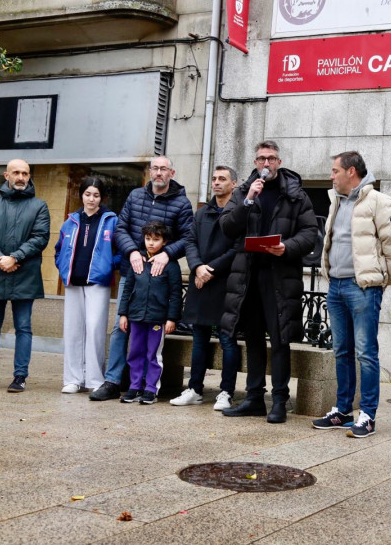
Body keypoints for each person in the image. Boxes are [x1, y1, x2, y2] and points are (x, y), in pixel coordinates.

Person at [219, 140, 317, 424]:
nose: (266, 164)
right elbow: (227, 227)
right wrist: (248, 199)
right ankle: (253, 398)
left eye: (271, 159)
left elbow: (310, 232)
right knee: (252, 339)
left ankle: (278, 401)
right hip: (247, 276)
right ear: (255, 162)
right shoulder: (242, 192)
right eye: (261, 159)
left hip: (280, 276)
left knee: (280, 339)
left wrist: (287, 247)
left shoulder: (296, 195)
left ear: (279, 162)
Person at [311, 151, 391, 438]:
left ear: (351, 172)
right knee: (341, 351)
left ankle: (367, 415)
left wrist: (378, 281)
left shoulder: (379, 202)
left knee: (366, 353)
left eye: (335, 170)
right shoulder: (336, 202)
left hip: (362, 288)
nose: (331, 176)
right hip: (336, 286)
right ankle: (342, 411)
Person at [89, 156, 193, 401]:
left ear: (172, 173)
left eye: (163, 169)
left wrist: (167, 253)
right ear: (149, 172)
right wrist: (133, 251)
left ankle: (148, 385)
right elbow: (121, 228)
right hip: (133, 271)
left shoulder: (182, 203)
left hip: (160, 276)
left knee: (152, 340)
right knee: (121, 326)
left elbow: (189, 237)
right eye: (155, 168)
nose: (158, 173)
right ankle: (113, 380)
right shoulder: (135, 196)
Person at [0, 160, 50, 393]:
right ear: (6, 175)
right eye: (16, 172)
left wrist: (14, 258)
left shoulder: (40, 206)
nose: (21, 177)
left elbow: (40, 238)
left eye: (25, 173)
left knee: (24, 327)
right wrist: (1, 258)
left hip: (24, 272)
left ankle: (20, 377)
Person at [171, 166, 240, 409]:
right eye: (214, 179)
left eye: (222, 179)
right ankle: (194, 389)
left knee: (227, 339)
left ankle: (226, 392)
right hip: (200, 281)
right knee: (198, 337)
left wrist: (210, 269)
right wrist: (197, 267)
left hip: (225, 283)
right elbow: (190, 241)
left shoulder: (238, 212)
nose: (217, 183)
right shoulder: (202, 212)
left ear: (234, 183)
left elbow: (238, 247)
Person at [54, 177, 120, 394]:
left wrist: (108, 266)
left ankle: (94, 379)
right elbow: (59, 249)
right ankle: (72, 379)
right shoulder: (70, 221)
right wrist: (64, 269)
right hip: (73, 282)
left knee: (94, 329)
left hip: (97, 283)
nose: (91, 199)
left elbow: (120, 251)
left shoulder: (111, 220)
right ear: (81, 195)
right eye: (88, 194)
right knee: (73, 330)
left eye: (96, 195)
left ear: (102, 198)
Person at [117, 221, 183, 405]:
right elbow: (128, 289)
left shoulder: (171, 265)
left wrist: (171, 318)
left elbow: (175, 294)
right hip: (136, 316)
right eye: (148, 239)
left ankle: (151, 389)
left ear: (164, 241)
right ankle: (135, 386)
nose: (151, 243)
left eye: (156, 239)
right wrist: (123, 314)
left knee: (153, 354)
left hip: (157, 318)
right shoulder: (137, 261)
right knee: (135, 352)